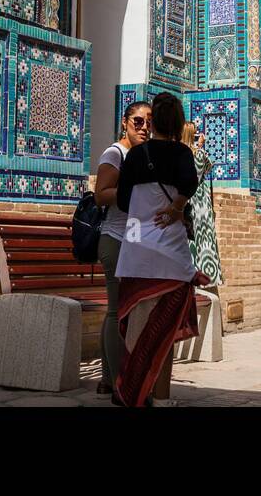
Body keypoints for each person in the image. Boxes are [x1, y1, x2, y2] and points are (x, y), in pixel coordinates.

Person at [113, 92, 207, 406]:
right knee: (163, 332)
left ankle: (130, 391)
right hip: (171, 256)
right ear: (178, 123)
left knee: (137, 331)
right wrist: (177, 207)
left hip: (137, 253)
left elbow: (124, 202)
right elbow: (190, 185)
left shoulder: (135, 156)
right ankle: (162, 397)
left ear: (153, 123)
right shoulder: (182, 153)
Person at [92, 100, 151, 396]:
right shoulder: (115, 153)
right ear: (125, 122)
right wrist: (133, 191)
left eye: (149, 122)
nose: (144, 127)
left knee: (116, 310)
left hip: (133, 242)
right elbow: (101, 195)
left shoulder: (142, 155)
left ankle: (106, 378)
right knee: (119, 312)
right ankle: (120, 387)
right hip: (114, 240)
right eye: (138, 121)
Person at [181, 122, 224, 287]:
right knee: (203, 240)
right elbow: (207, 168)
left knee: (189, 240)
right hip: (202, 205)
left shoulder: (178, 155)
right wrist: (199, 145)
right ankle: (207, 276)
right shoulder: (200, 154)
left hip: (185, 202)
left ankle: (188, 275)